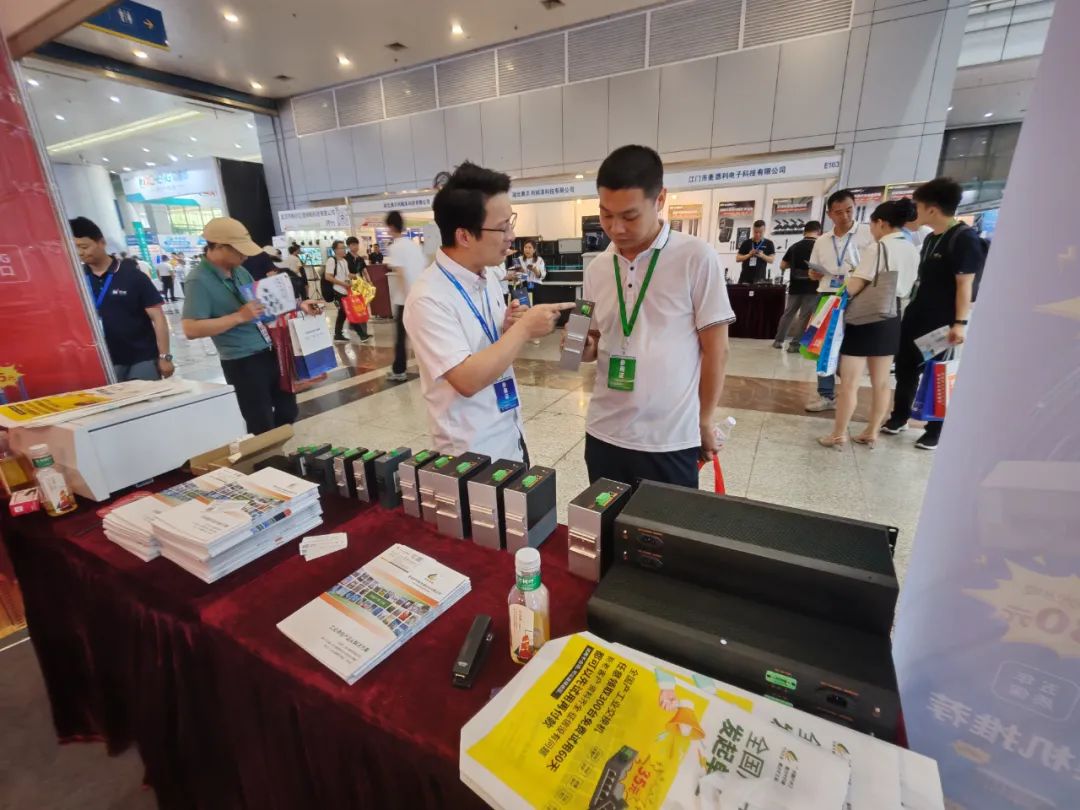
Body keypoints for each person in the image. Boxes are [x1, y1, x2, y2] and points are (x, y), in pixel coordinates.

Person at [578, 145, 734, 488]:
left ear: (660, 198)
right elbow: (587, 343)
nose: (616, 227)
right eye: (606, 214)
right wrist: (579, 346)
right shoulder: (596, 268)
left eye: (630, 216)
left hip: (670, 439)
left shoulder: (696, 257)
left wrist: (704, 420)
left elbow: (717, 350)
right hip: (604, 433)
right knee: (606, 520)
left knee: (667, 523)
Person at [403, 162, 573, 461]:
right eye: (502, 227)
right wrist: (523, 330)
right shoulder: (428, 298)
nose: (512, 235)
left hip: (511, 433)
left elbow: (485, 349)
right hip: (471, 455)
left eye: (511, 222)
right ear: (465, 236)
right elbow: (466, 379)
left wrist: (506, 330)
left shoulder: (489, 276)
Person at [181, 217, 320, 435]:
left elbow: (262, 306)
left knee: (288, 410)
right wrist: (239, 317)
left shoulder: (240, 271)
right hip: (242, 361)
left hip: (269, 350)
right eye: (239, 250)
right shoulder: (198, 280)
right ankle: (269, 454)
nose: (245, 256)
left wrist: (299, 305)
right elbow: (191, 329)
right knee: (260, 421)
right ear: (219, 247)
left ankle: (276, 449)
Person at [882, 177, 986, 450]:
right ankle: (900, 416)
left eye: (917, 206)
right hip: (917, 314)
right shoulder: (930, 239)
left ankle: (935, 429)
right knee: (905, 366)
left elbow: (965, 285)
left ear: (932, 209)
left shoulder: (964, 239)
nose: (914, 211)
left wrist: (959, 324)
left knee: (937, 373)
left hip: (943, 322)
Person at [817, 200, 921, 449]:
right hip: (892, 317)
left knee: (849, 383)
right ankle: (872, 431)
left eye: (873, 224)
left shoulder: (878, 248)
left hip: (866, 319)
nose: (872, 230)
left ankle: (838, 434)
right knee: (882, 383)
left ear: (881, 223)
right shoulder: (912, 249)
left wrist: (844, 286)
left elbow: (855, 286)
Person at [70, 217, 174, 382]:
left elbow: (158, 317)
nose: (80, 253)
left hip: (142, 357)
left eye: (84, 247)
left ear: (102, 242)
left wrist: (164, 356)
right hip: (103, 360)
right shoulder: (76, 279)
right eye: (74, 247)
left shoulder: (133, 276)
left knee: (145, 397)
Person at [805, 189, 875, 412]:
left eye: (849, 210)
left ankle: (848, 393)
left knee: (852, 347)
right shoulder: (822, 240)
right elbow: (812, 272)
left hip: (857, 296)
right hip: (827, 296)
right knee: (823, 345)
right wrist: (813, 274)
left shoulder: (868, 233)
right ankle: (826, 395)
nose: (844, 216)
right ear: (829, 214)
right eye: (838, 212)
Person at [384, 210, 425, 381]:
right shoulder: (414, 246)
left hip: (405, 300)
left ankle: (399, 370)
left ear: (391, 226)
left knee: (401, 337)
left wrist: (408, 298)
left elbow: (401, 274)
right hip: (420, 297)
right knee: (422, 335)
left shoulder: (395, 247)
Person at [772, 221, 822, 351]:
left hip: (795, 286)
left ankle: (778, 341)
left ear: (804, 231)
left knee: (788, 314)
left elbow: (783, 265)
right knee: (804, 316)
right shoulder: (820, 247)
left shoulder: (794, 247)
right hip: (812, 287)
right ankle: (794, 345)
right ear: (819, 232)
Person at [344, 236, 372, 342]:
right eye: (353, 245)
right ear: (349, 246)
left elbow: (364, 271)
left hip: (361, 285)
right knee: (354, 307)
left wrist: (369, 281)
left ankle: (364, 331)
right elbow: (345, 273)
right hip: (350, 286)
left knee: (363, 307)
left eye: (356, 244)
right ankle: (354, 326)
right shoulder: (345, 259)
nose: (355, 246)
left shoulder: (360, 258)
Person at [735, 220, 776, 284]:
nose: (757, 234)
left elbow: (771, 260)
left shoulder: (769, 243)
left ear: (764, 230)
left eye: (760, 232)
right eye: (755, 232)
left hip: (760, 279)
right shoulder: (746, 243)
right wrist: (749, 255)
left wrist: (762, 256)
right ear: (753, 230)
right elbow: (738, 258)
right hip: (745, 278)